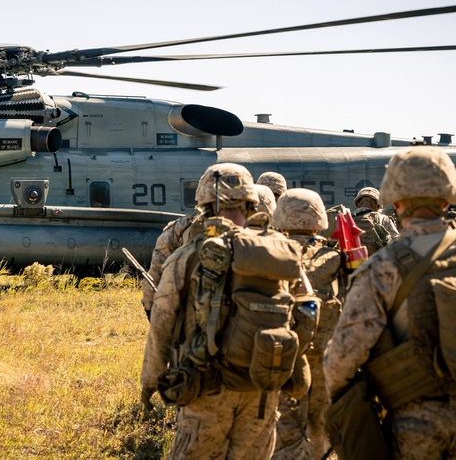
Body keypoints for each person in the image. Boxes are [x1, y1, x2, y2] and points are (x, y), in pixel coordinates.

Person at [324, 147, 456, 459]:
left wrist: (340, 402)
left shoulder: (382, 266)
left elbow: (345, 353)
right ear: (448, 197)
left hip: (411, 425)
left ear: (395, 201)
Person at [140, 163, 299, 459]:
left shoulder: (187, 256)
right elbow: (300, 315)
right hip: (262, 391)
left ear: (205, 204)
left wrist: (151, 381)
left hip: (206, 389)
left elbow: (161, 323)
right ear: (251, 203)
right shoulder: (277, 254)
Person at [271, 189, 342, 460]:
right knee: (320, 426)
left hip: (283, 356)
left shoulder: (269, 254)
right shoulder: (337, 257)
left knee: (284, 429)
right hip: (325, 359)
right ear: (320, 220)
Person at [140, 165, 264, 319]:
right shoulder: (274, 243)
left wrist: (151, 310)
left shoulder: (179, 232)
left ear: (204, 200)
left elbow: (155, 277)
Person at [352, 186, 401, 254]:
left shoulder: (348, 219)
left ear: (358, 203)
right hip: (377, 262)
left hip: (354, 262)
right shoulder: (383, 219)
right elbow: (397, 243)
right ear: (377, 205)